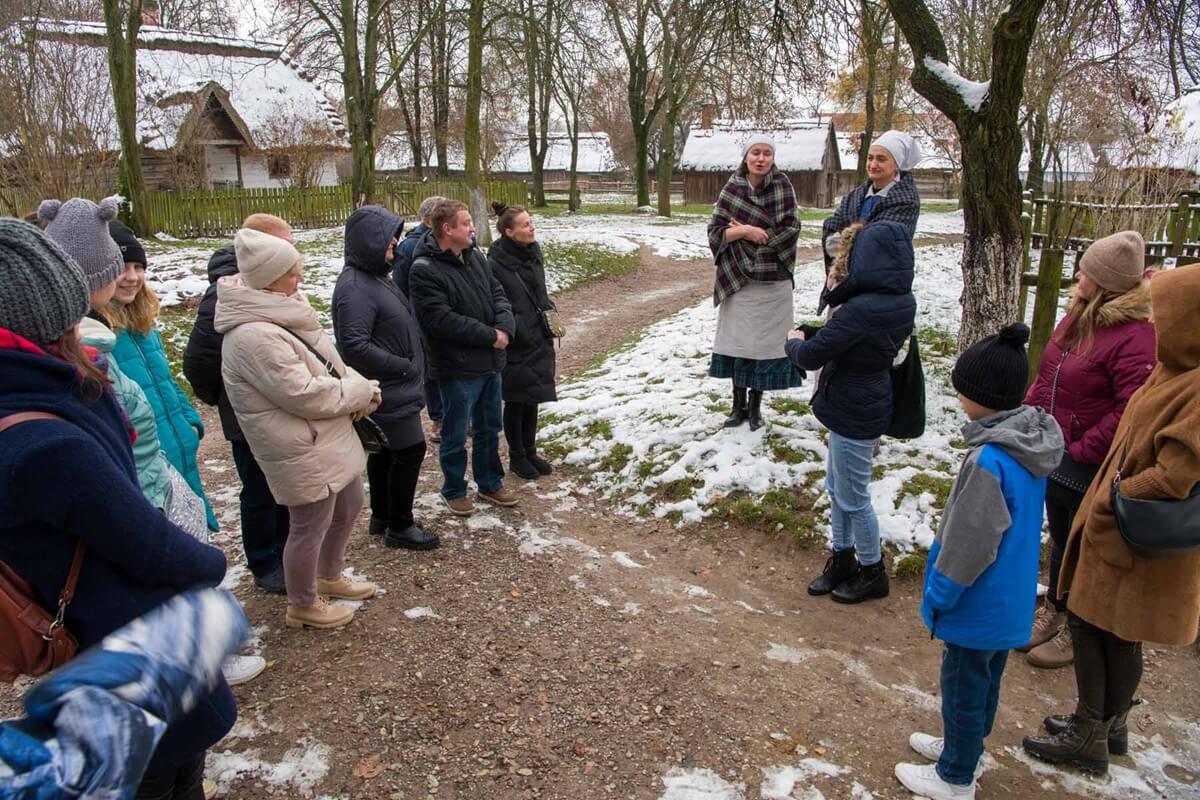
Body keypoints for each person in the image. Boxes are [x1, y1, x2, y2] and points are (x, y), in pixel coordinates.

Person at [0, 217, 235, 800]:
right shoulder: (45, 440)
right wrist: (207, 569)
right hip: (122, 646)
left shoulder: (35, 388)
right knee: (161, 777)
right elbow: (149, 546)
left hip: (98, 638)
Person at [1023, 263, 1200, 775]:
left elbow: (1175, 476)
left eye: (1165, 315)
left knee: (1108, 628)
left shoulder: (1194, 390)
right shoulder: (1175, 369)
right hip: (1117, 529)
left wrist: (1116, 496)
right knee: (1100, 625)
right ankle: (1103, 721)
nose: (1154, 323)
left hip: (1133, 534)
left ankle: (1091, 734)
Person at [894, 324, 1063, 800]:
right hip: (1009, 600)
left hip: (977, 599)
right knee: (985, 680)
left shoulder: (991, 460)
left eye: (964, 392)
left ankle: (956, 776)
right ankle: (966, 749)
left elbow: (971, 542)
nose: (960, 400)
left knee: (963, 684)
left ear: (983, 398)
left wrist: (942, 592)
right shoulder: (1030, 447)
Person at [215, 227, 381, 630]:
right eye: (292, 271)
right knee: (308, 525)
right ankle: (303, 602)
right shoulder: (253, 334)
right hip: (301, 444)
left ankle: (330, 575)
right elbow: (303, 393)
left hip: (323, 436)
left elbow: (326, 361)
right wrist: (355, 391)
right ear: (269, 277)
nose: (300, 278)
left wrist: (357, 388)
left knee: (350, 502)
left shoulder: (282, 307)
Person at [1020, 231, 1156, 669]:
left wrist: (1082, 446)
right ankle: (1054, 612)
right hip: (1057, 452)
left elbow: (1131, 407)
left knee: (1087, 547)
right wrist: (1027, 417)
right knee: (1060, 536)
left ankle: (1078, 631)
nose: (1078, 274)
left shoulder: (1135, 336)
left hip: (1089, 462)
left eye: (1087, 271)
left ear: (1104, 281)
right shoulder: (1077, 316)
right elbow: (1048, 374)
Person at [785, 220, 916, 604]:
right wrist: (818, 331)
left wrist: (795, 341)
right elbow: (846, 340)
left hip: (856, 409)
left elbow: (811, 356)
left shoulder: (863, 308)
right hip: (857, 402)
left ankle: (872, 570)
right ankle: (842, 559)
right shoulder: (896, 299)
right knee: (838, 489)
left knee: (854, 496)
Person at [183, 213, 295, 595]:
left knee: (282, 483)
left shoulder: (273, 283)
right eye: (284, 243)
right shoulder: (226, 291)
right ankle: (265, 560)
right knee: (260, 489)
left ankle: (287, 552)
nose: (291, 250)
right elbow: (199, 361)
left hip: (278, 406)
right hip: (247, 412)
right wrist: (228, 398)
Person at [332, 205, 438, 551]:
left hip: (394, 385)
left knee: (386, 452)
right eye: (389, 237)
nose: (395, 242)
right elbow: (355, 345)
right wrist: (402, 365)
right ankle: (400, 525)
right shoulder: (355, 287)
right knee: (410, 450)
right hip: (387, 387)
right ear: (370, 241)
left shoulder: (374, 276)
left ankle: (382, 516)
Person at [410, 200, 518, 517]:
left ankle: (490, 483)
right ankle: (454, 489)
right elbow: (441, 320)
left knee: (489, 428)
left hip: (490, 363)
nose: (473, 227)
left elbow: (499, 294)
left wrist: (504, 327)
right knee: (455, 433)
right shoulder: (424, 269)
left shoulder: (475, 257)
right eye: (466, 222)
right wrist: (490, 335)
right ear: (447, 228)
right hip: (457, 367)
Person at [707, 135, 805, 431]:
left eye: (767, 153)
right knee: (739, 345)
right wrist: (746, 231)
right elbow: (715, 231)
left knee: (763, 346)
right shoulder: (732, 188)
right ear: (746, 157)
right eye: (755, 153)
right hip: (739, 281)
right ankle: (737, 407)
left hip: (772, 281)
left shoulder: (783, 187)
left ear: (773, 158)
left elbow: (791, 228)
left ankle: (756, 407)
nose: (761, 159)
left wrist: (763, 240)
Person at [487, 202, 557, 480]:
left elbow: (538, 289)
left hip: (538, 332)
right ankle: (517, 456)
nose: (532, 228)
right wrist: (514, 327)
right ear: (508, 232)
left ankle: (530, 450)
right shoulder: (495, 262)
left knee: (533, 396)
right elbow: (496, 302)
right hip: (517, 338)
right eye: (525, 225)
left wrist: (547, 309)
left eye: (531, 222)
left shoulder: (533, 252)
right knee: (516, 399)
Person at [820, 130, 921, 310]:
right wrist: (839, 241)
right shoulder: (856, 195)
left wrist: (843, 243)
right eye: (870, 158)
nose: (873, 164)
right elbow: (832, 224)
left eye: (881, 159)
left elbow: (878, 244)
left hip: (879, 290)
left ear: (896, 164)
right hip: (844, 283)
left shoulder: (905, 201)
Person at [394, 196, 448, 442]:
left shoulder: (449, 241)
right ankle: (438, 419)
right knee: (431, 370)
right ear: (428, 220)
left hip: (447, 315)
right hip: (421, 319)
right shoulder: (408, 247)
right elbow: (401, 287)